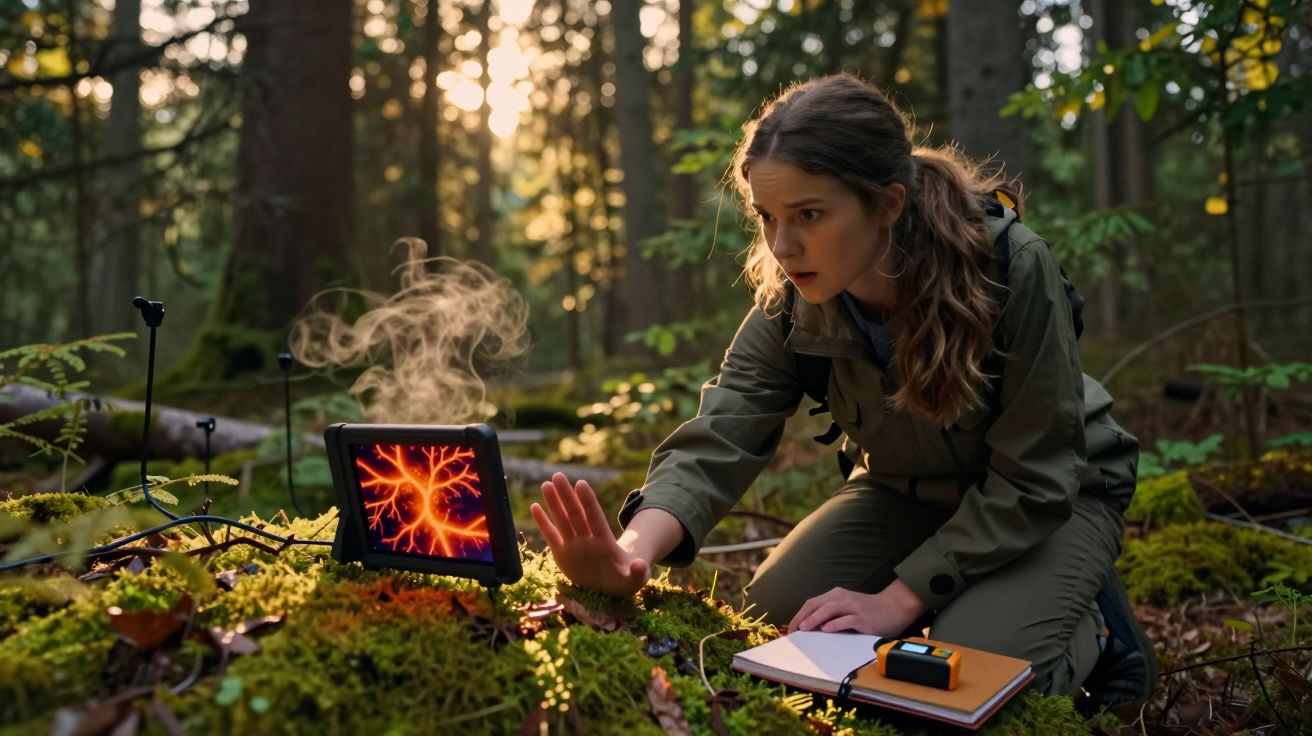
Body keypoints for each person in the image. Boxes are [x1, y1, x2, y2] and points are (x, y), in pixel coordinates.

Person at [530, 73, 1153, 710]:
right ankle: (961, 597)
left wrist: (896, 599)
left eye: (809, 214)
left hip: (1056, 498)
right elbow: (722, 432)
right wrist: (632, 554)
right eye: (767, 217)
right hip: (905, 491)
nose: (782, 244)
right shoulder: (793, 299)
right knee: (776, 619)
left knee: (971, 678)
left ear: (887, 204)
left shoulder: (1011, 267)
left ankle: (1098, 636)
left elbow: (1038, 474)